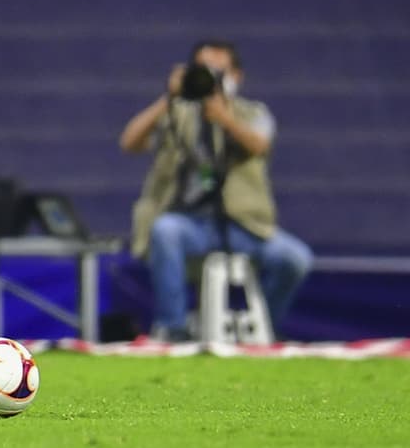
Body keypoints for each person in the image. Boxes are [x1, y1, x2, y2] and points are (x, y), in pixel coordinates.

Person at [118, 39, 313, 342]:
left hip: (245, 226)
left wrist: (224, 118)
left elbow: (259, 145)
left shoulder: (253, 113)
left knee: (295, 258)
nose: (211, 77)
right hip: (192, 224)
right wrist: (169, 97)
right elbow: (130, 142)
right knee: (165, 230)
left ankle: (262, 328)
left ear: (237, 76)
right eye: (203, 70)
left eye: (219, 71)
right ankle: (173, 328)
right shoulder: (177, 114)